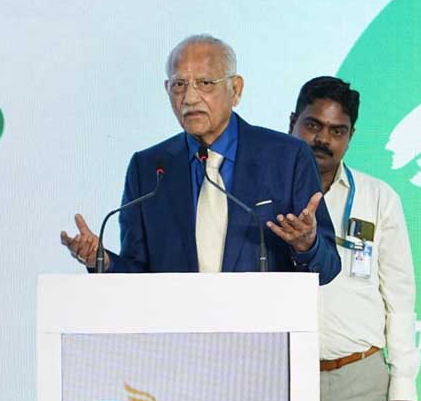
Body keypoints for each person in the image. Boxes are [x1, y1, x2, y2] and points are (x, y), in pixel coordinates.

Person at [60, 35, 339, 282]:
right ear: (167, 89)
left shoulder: (287, 157)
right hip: (179, 326)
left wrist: (307, 245)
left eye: (205, 83)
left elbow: (328, 268)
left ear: (236, 89)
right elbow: (138, 275)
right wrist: (102, 261)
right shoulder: (148, 168)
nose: (190, 98)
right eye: (179, 85)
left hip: (260, 325)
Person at [289, 76, 421, 401]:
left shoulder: (377, 198)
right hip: (281, 378)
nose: (323, 140)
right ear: (292, 123)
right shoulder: (263, 193)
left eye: (337, 131)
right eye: (313, 125)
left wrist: (403, 386)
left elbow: (399, 295)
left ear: (349, 136)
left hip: (358, 380)